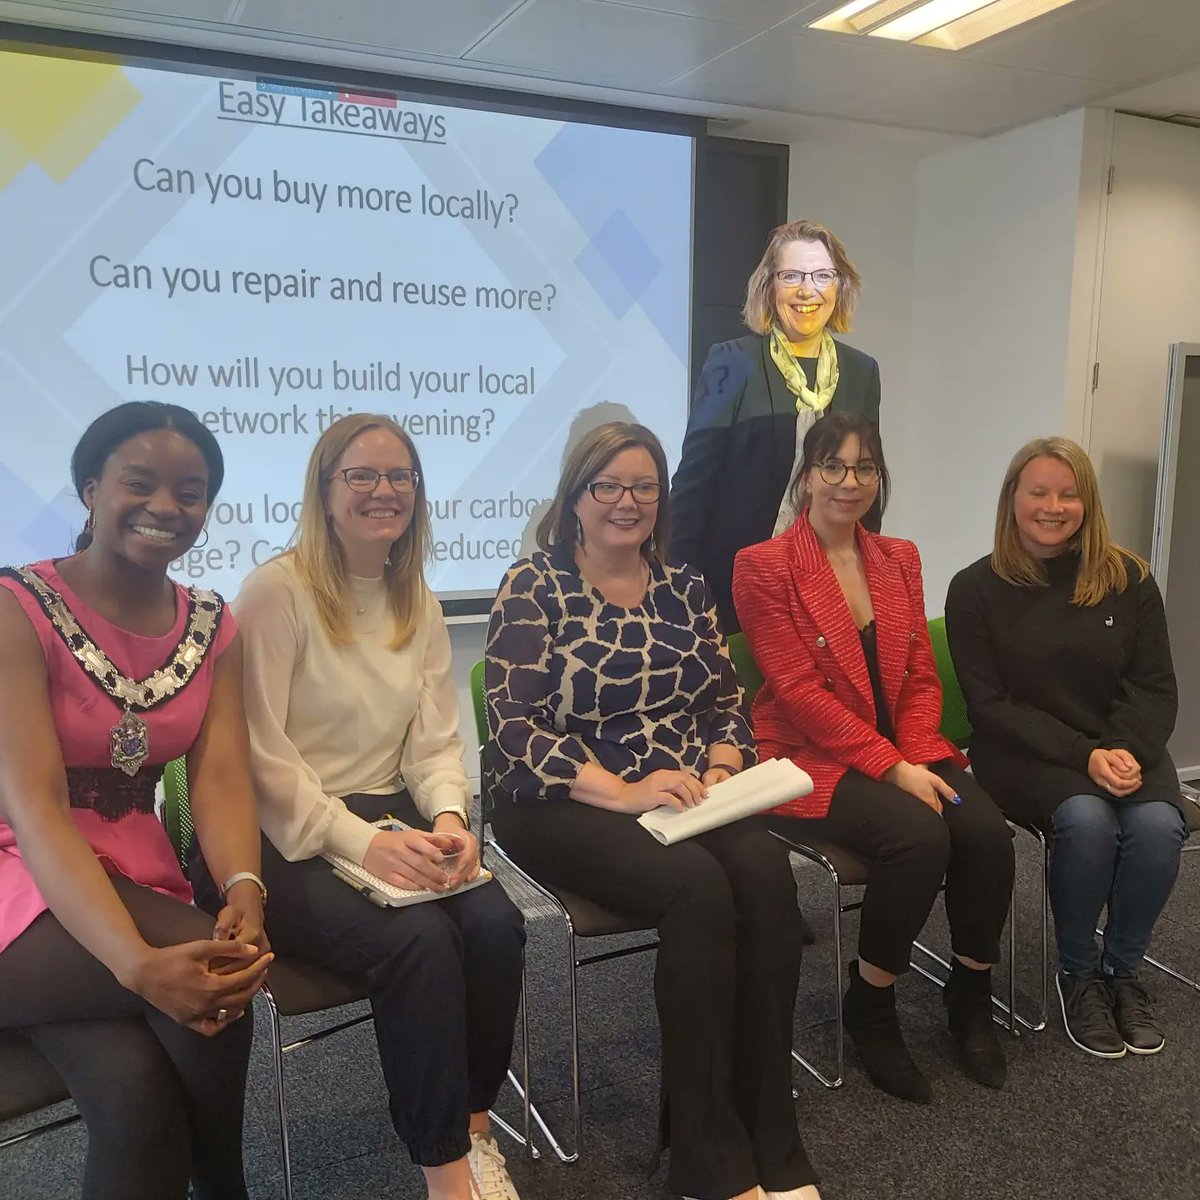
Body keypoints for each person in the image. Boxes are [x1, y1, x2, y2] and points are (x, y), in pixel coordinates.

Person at [487, 421, 819, 1200]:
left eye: (643, 486)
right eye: (608, 485)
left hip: (684, 795)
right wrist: (625, 789)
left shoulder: (685, 584)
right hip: (562, 798)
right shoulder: (533, 584)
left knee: (768, 877)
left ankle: (771, 1130)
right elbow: (514, 730)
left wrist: (724, 764)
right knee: (697, 891)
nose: (626, 502)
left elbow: (725, 701)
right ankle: (708, 1161)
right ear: (576, 497)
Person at [211, 413, 526, 1200]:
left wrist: (451, 819)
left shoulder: (411, 591)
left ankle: (477, 1125)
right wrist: (358, 842)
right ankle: (445, 1173)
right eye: (362, 475)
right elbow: (257, 754)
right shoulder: (274, 592)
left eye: (401, 477)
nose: (385, 491)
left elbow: (431, 743)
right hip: (279, 832)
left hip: (387, 811)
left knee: (495, 925)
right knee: (417, 942)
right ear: (324, 489)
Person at [0, 401, 271, 1200]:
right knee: (220, 979)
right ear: (90, 488)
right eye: (139, 483)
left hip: (130, 879)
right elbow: (34, 804)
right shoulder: (18, 605)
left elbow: (221, 779)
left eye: (189, 492)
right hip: (19, 872)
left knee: (137, 1101)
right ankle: (226, 1184)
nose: (166, 507)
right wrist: (134, 966)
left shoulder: (213, 623)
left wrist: (246, 889)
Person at [733, 413, 1015, 1105]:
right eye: (833, 465)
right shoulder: (762, 565)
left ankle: (970, 995)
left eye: (864, 468)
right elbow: (796, 693)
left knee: (985, 833)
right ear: (806, 476)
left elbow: (920, 673)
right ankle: (872, 1001)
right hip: (811, 758)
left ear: (878, 478)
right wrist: (891, 767)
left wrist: (911, 752)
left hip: (901, 749)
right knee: (918, 838)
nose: (848, 481)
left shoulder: (899, 557)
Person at [945, 437, 1187, 1060]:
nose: (1054, 506)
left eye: (1069, 493)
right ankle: (1078, 973)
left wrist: (1125, 749)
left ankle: (1122, 971)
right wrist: (1085, 757)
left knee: (1162, 825)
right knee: (1087, 820)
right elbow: (990, 706)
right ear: (1012, 500)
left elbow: (1154, 685)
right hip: (1025, 752)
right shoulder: (975, 587)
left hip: (1122, 747)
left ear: (1088, 501)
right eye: (1039, 492)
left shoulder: (1128, 578)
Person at [671, 218, 881, 632]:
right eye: (792, 276)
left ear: (840, 287)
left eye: (823, 276)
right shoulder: (731, 362)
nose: (808, 290)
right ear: (769, 286)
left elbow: (867, 481)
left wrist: (869, 575)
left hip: (829, 588)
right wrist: (675, 589)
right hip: (731, 592)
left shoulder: (862, 371)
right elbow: (694, 485)